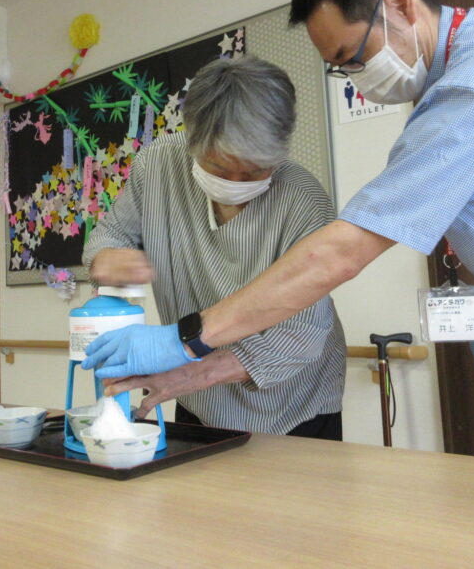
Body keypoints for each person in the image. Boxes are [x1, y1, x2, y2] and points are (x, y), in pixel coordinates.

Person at [82, 0, 474, 566]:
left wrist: (186, 341)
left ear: (400, 5)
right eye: (339, 68)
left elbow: (340, 256)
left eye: (351, 55)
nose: (354, 78)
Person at [82, 55, 346, 439]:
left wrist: (191, 372)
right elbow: (107, 236)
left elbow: (300, 335)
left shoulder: (304, 200)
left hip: (294, 400)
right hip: (193, 391)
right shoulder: (157, 167)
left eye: (256, 171)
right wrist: (108, 260)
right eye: (220, 169)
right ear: (192, 140)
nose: (237, 184)